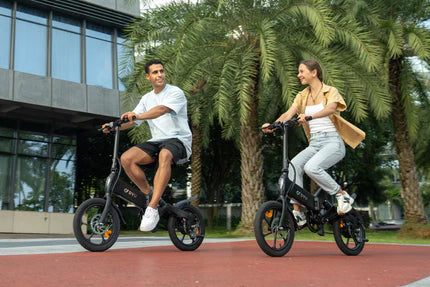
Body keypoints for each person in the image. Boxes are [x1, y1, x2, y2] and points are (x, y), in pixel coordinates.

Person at [262, 59, 365, 227]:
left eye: (302, 71)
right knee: (293, 167)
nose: (298, 75)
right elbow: (289, 113)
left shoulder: (330, 91)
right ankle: (298, 211)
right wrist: (272, 125)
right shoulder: (302, 96)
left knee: (311, 167)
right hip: (315, 144)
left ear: (314, 72)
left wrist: (309, 117)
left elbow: (332, 108)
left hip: (333, 142)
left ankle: (341, 194)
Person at [102, 59, 192, 232]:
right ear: (147, 77)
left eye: (161, 71)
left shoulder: (175, 92)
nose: (160, 75)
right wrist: (114, 126)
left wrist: (136, 116)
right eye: (155, 72)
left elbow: (160, 110)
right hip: (157, 141)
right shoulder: (146, 98)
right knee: (127, 158)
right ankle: (150, 194)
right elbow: (132, 121)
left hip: (179, 140)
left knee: (165, 155)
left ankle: (152, 207)